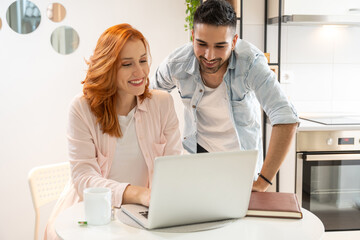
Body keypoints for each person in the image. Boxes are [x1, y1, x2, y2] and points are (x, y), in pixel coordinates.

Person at [44, 23, 184, 239]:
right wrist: (138, 194)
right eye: (127, 64)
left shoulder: (162, 103)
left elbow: (173, 166)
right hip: (91, 216)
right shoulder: (82, 108)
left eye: (143, 60)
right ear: (108, 67)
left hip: (142, 217)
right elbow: (83, 178)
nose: (140, 72)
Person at [152, 0, 299, 192]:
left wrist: (263, 181)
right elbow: (149, 100)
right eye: (201, 44)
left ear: (234, 41)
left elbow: (286, 117)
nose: (210, 55)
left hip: (241, 166)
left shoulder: (250, 63)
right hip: (196, 162)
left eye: (220, 46)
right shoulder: (177, 63)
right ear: (193, 36)